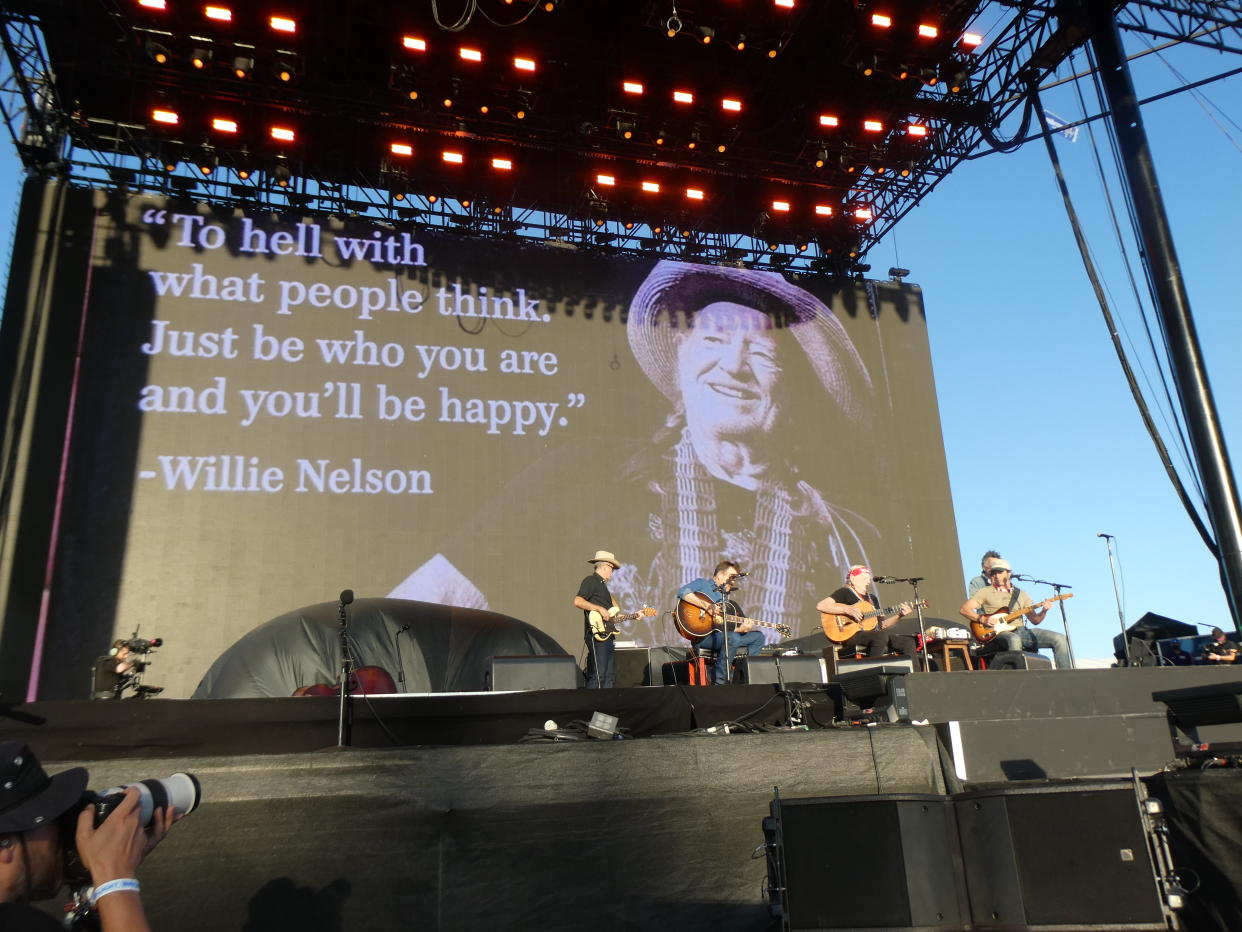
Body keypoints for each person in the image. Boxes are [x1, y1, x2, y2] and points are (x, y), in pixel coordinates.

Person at [0, 740, 176, 931]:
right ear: (5, 843)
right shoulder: (19, 922)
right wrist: (114, 874)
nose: (65, 829)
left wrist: (95, 893)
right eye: (51, 817)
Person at [959, 559, 1072, 669]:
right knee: (1013, 639)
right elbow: (964, 609)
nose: (996, 575)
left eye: (1000, 572)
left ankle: (1066, 676)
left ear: (1009, 573)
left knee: (1059, 638)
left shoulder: (1021, 595)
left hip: (1021, 630)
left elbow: (1035, 620)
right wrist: (982, 619)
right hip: (998, 633)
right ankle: (1019, 679)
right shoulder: (985, 592)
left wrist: (1044, 611)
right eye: (993, 573)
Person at [676, 560, 766, 684]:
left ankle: (745, 678)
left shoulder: (726, 600)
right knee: (733, 638)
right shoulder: (702, 584)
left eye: (735, 579)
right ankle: (719, 681)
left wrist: (741, 629)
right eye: (731, 577)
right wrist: (707, 606)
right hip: (703, 638)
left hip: (723, 637)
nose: (733, 581)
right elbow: (682, 592)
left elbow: (725, 630)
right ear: (719, 576)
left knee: (758, 637)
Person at [817, 565, 917, 661]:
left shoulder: (872, 599)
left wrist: (900, 615)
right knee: (880, 636)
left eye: (868, 579)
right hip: (851, 635)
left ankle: (914, 677)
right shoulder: (844, 592)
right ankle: (873, 671)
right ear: (853, 579)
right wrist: (847, 609)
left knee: (908, 642)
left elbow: (882, 625)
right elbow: (821, 606)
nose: (868, 581)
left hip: (872, 634)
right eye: (864, 578)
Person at [573, 550, 622, 688]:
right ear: (606, 566)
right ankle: (591, 706)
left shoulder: (603, 587)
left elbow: (612, 615)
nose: (612, 573)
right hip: (596, 635)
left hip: (608, 635)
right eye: (611, 569)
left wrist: (636, 615)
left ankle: (606, 707)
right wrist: (599, 608)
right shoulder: (591, 581)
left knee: (609, 675)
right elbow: (578, 601)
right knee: (599, 675)